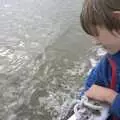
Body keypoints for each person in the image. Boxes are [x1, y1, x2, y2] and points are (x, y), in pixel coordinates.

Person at [80, 0, 120, 119]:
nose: (95, 41)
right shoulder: (108, 62)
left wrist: (110, 97)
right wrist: (84, 97)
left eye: (95, 33)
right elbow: (91, 85)